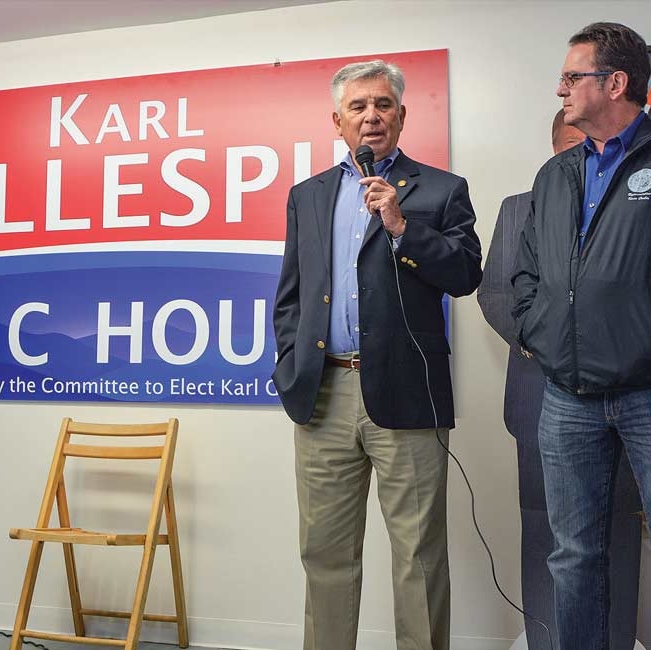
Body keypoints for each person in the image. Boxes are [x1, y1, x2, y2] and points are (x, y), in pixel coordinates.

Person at [272, 60, 482, 650]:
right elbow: (290, 294)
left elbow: (466, 274)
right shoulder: (306, 196)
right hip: (322, 395)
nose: (372, 117)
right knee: (325, 554)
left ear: (402, 116)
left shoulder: (441, 189)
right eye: (359, 107)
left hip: (407, 395)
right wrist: (290, 362)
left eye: (383, 105)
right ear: (337, 121)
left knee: (417, 558)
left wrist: (400, 226)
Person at [479, 109, 643, 650]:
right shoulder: (520, 206)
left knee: (618, 528)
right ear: (554, 147)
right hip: (542, 397)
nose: (583, 148)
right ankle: (546, 640)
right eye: (571, 141)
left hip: (632, 391)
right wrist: (555, 346)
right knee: (550, 536)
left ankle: (618, 639)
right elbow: (499, 294)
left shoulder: (634, 199)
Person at [512, 22, 651, 650]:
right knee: (574, 556)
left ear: (615, 83)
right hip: (566, 398)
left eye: (573, 76)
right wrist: (539, 333)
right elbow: (527, 275)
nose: (560, 88)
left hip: (647, 392)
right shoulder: (555, 175)